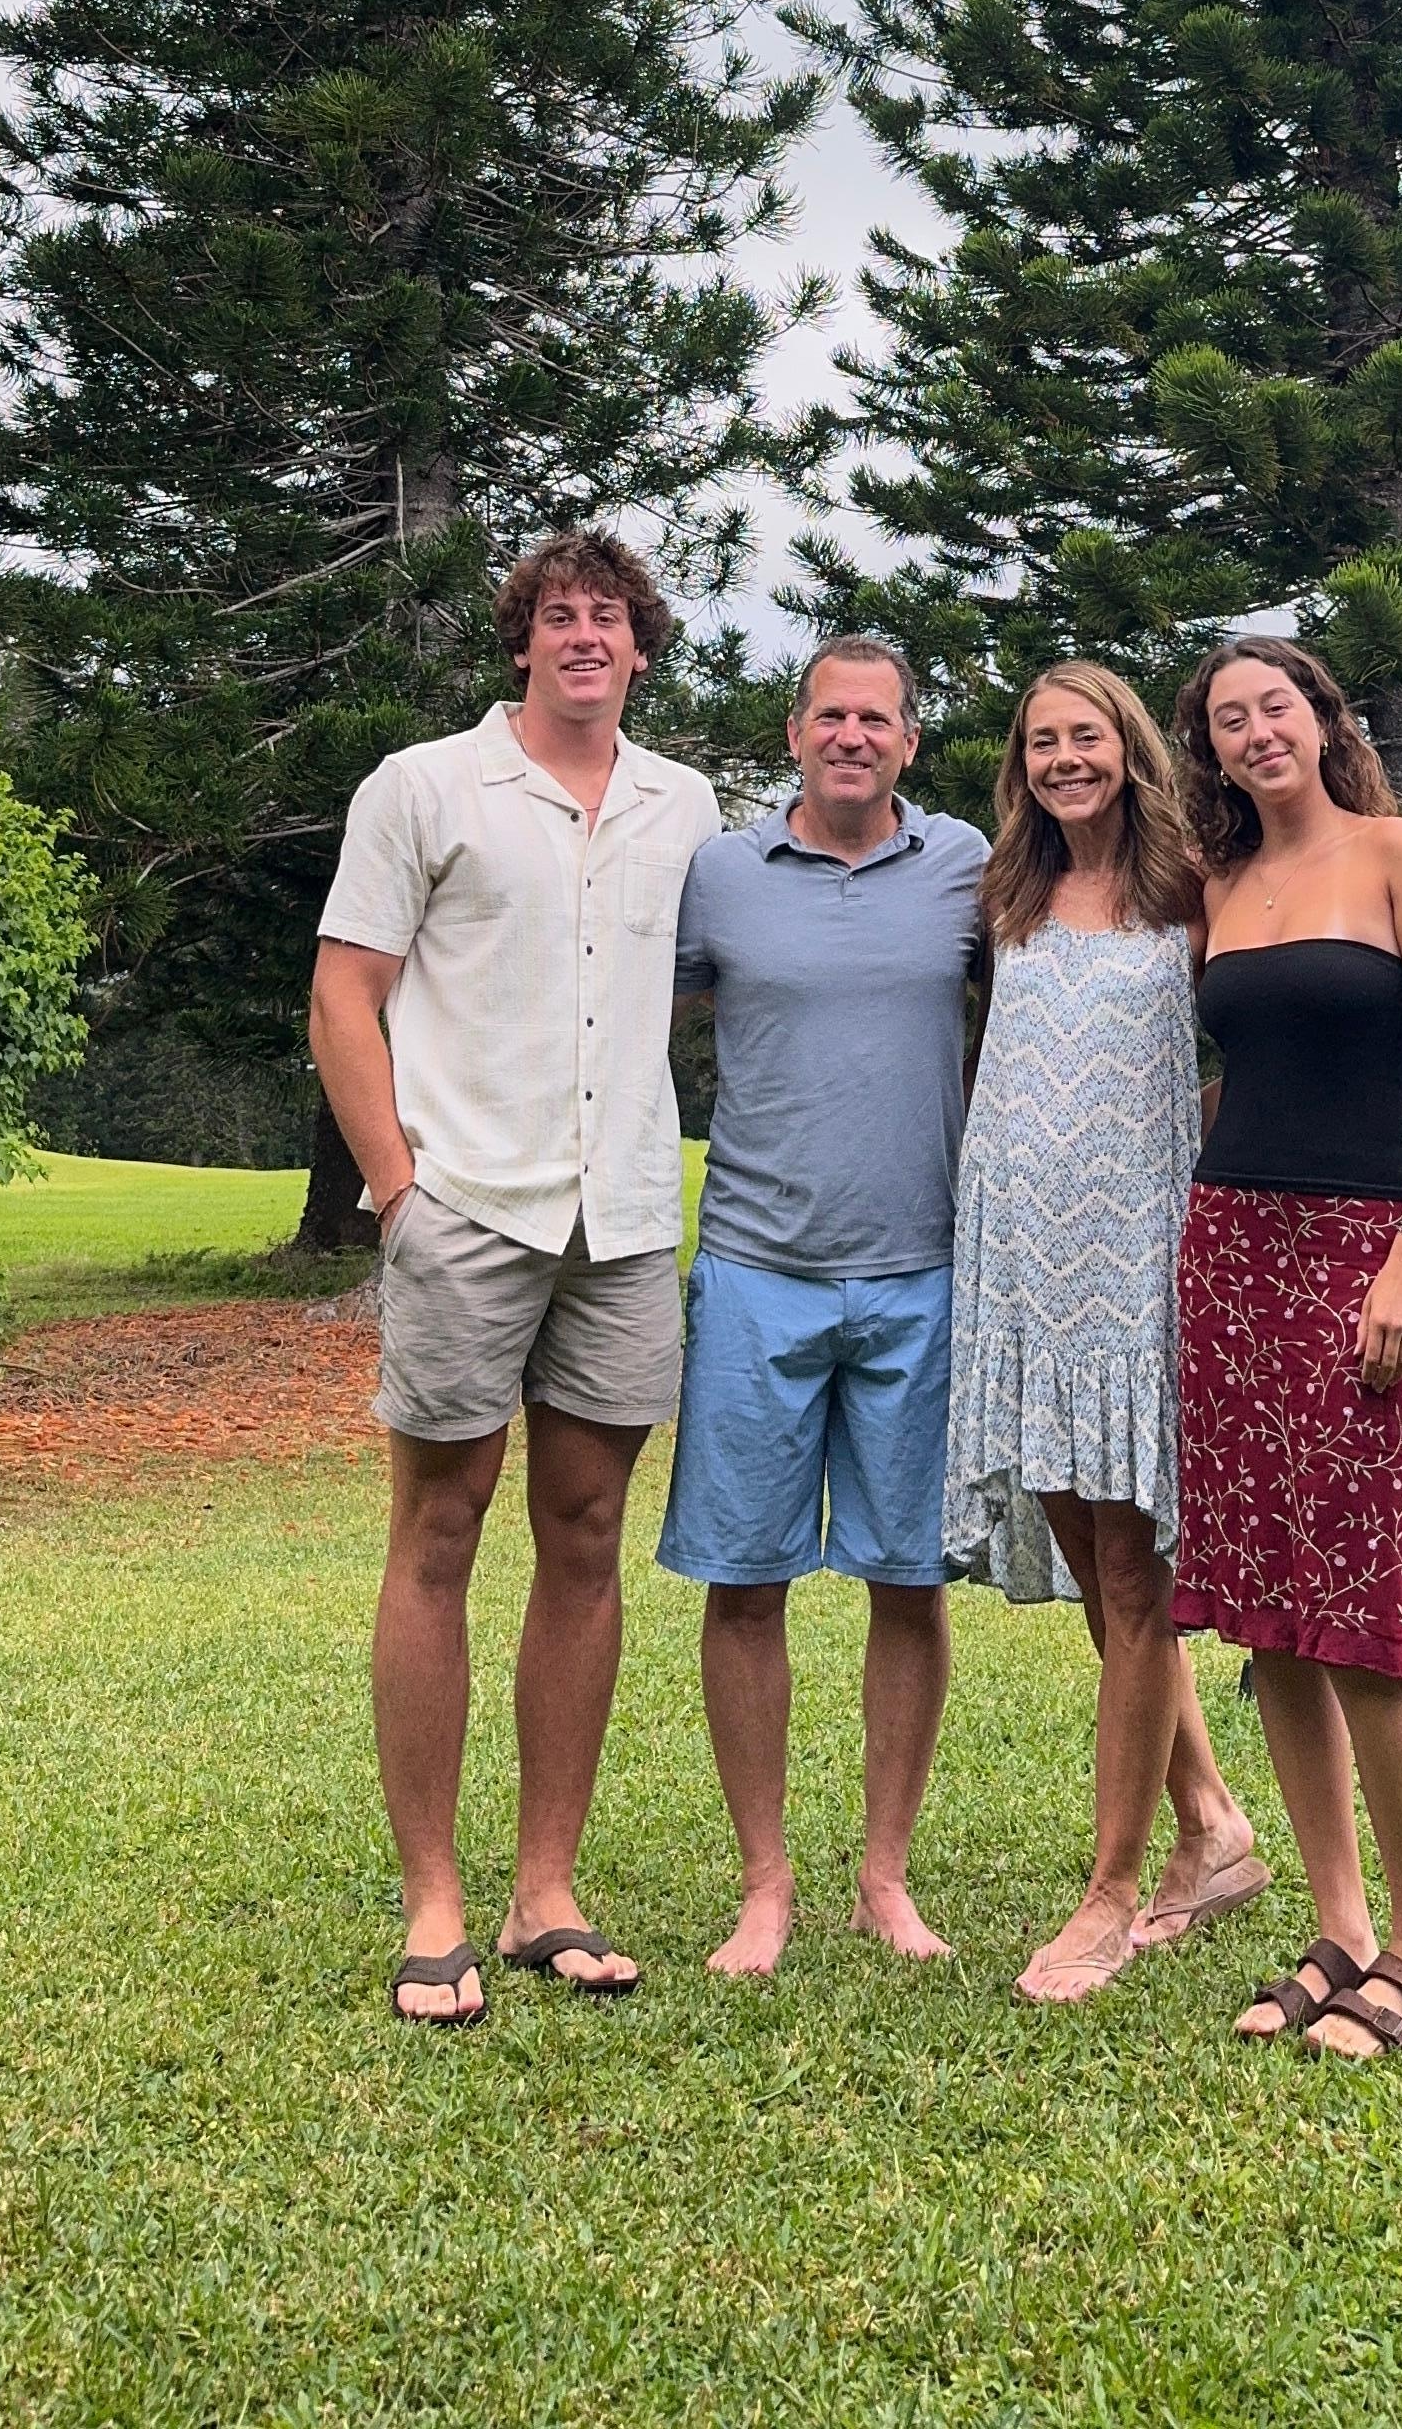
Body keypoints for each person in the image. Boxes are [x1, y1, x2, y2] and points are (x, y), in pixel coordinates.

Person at [309, 529, 718, 2028]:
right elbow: (345, 992)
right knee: (438, 1530)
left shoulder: (689, 804)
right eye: (560, 617)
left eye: (610, 618)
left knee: (590, 1532)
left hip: (619, 1222)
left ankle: (546, 1890)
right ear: (524, 643)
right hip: (465, 1208)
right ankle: (436, 1900)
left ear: (643, 647)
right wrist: (400, 1193)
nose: (585, 639)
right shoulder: (422, 787)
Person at [1167, 636, 1402, 2063]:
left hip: (1362, 1251)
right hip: (1227, 1252)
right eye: (1229, 720)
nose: (1255, 733)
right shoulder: (1214, 889)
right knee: (1273, 1621)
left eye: (1274, 707)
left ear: (1322, 719)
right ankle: (1340, 1927)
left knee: (1363, 1616)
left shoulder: (1397, 853)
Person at [660, 636, 990, 1975]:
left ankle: (886, 1878)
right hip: (754, 1269)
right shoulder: (720, 877)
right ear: (793, 735)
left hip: (923, 1273)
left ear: (910, 742)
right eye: (830, 716)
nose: (853, 735)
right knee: (744, 1584)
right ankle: (766, 1884)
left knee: (909, 1583)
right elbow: (626, 1015)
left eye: (879, 719)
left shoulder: (968, 867)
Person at [944, 660, 1267, 2003]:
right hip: (1018, 1262)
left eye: (1087, 738)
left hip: (1134, 1264)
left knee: (1133, 1577)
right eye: (1042, 744)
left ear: (1129, 749)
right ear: (1021, 767)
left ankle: (1111, 1889)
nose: (1066, 760)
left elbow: (1259, 1035)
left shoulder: (1192, 885)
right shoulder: (1010, 894)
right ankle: (1218, 1827)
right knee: (1091, 1561)